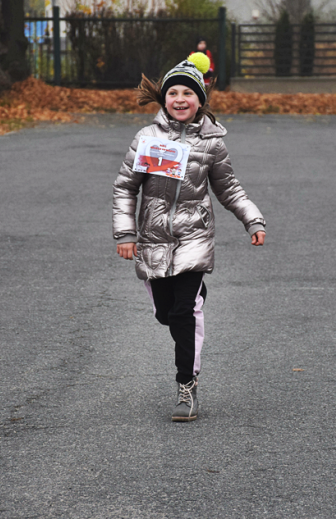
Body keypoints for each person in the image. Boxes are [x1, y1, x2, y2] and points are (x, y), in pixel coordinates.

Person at [112, 54, 266, 422]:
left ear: (201, 99)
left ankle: (186, 385)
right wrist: (126, 233)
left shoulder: (212, 143)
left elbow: (229, 189)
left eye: (188, 93)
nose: (180, 99)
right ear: (164, 98)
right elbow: (124, 188)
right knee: (167, 314)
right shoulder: (146, 139)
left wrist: (254, 221)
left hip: (194, 237)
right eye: (173, 93)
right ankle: (184, 303)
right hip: (152, 240)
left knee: (185, 312)